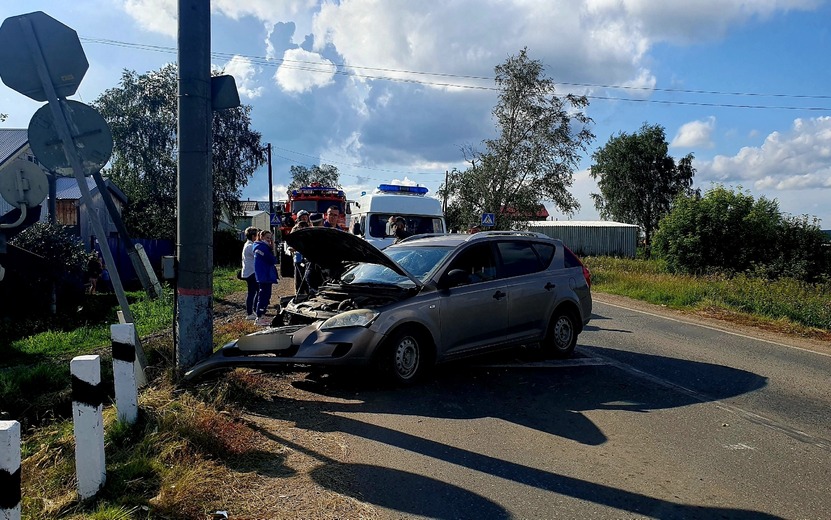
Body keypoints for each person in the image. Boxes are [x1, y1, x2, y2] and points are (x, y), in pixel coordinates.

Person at [253, 230, 279, 326]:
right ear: (262, 237)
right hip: (264, 275)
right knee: (263, 295)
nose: (269, 240)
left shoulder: (261, 247)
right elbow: (272, 260)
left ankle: (262, 315)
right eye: (267, 238)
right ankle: (259, 317)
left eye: (270, 238)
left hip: (265, 274)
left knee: (266, 295)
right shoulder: (262, 247)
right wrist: (272, 248)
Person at [241, 226, 259, 320]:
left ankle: (253, 310)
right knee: (253, 292)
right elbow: (259, 254)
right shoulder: (250, 246)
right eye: (257, 235)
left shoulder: (249, 244)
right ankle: (250, 312)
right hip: (251, 272)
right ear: (253, 236)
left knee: (254, 291)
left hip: (250, 271)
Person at [290, 220, 312, 294]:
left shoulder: (309, 235)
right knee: (299, 278)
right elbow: (291, 247)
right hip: (298, 259)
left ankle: (306, 292)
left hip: (307, 259)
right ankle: (299, 293)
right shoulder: (295, 234)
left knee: (307, 278)